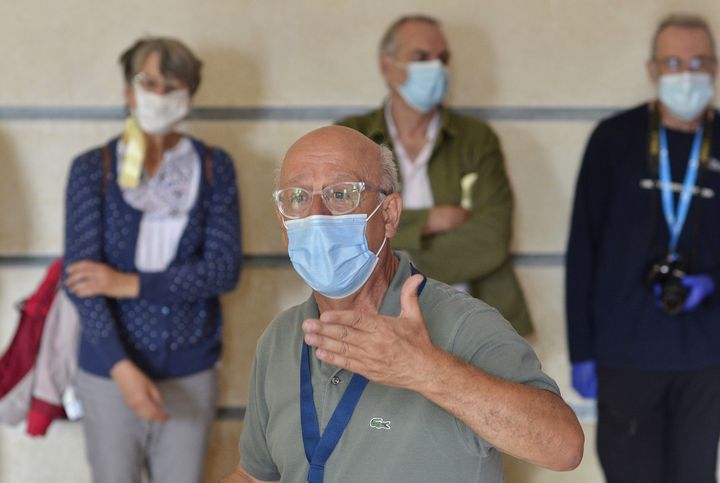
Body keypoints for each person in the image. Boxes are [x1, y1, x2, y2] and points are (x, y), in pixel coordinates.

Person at [222, 125, 583, 483]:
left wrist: (427, 370)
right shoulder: (280, 338)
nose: (317, 215)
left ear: (389, 215)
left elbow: (563, 447)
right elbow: (255, 476)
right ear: (283, 225)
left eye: (341, 194)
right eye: (298, 198)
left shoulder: (462, 324)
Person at [63, 37, 242, 483]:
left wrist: (127, 283)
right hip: (108, 369)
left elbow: (223, 270)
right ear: (128, 90)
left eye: (173, 84)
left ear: (190, 95)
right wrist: (121, 370)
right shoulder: (93, 169)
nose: (159, 95)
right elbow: (83, 283)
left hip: (190, 368)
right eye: (148, 82)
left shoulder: (215, 167)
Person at [566, 13, 720, 483]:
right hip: (625, 354)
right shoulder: (613, 140)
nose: (686, 74)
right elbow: (583, 249)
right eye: (673, 62)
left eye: (699, 62)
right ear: (652, 70)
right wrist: (582, 350)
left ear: (714, 68)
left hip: (706, 358)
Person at [337, 15, 533, 336]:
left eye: (443, 59)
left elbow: (491, 239)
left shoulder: (476, 140)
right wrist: (430, 220)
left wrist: (393, 262)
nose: (437, 68)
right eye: (421, 58)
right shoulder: (353, 137)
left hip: (468, 326)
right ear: (387, 67)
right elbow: (346, 234)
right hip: (376, 323)